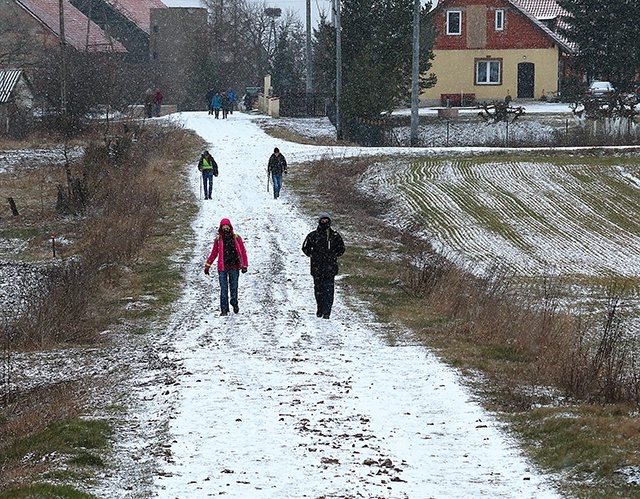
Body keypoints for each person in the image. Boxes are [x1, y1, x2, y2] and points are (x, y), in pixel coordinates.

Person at [302, 212, 345, 319]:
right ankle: (320, 309)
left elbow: (341, 249)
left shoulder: (335, 236)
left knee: (329, 290)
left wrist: (332, 256)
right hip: (316, 268)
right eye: (322, 220)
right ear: (319, 221)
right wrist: (313, 255)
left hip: (330, 268)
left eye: (326, 220)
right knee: (318, 290)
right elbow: (305, 248)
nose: (324, 222)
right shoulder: (313, 235)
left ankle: (327, 311)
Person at [204, 218, 248, 316]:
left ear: (230, 227)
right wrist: (208, 265)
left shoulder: (236, 238)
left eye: (227, 226)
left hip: (234, 266)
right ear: (221, 228)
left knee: (234, 287)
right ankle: (224, 310)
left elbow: (243, 252)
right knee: (223, 288)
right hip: (222, 268)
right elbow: (214, 253)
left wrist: (244, 265)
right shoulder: (218, 240)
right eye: (223, 226)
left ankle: (234, 303)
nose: (225, 228)